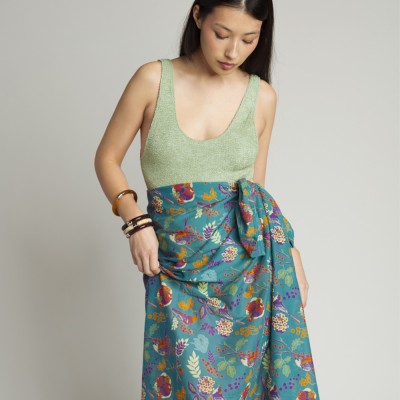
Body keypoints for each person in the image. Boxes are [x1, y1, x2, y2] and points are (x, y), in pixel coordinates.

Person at [94, 1, 320, 398]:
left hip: (249, 270)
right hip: (174, 261)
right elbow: (107, 159)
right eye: (222, 34)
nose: (233, 51)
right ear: (198, 15)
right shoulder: (153, 80)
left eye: (249, 39)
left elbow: (256, 192)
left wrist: (290, 250)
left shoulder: (262, 97)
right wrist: (136, 222)